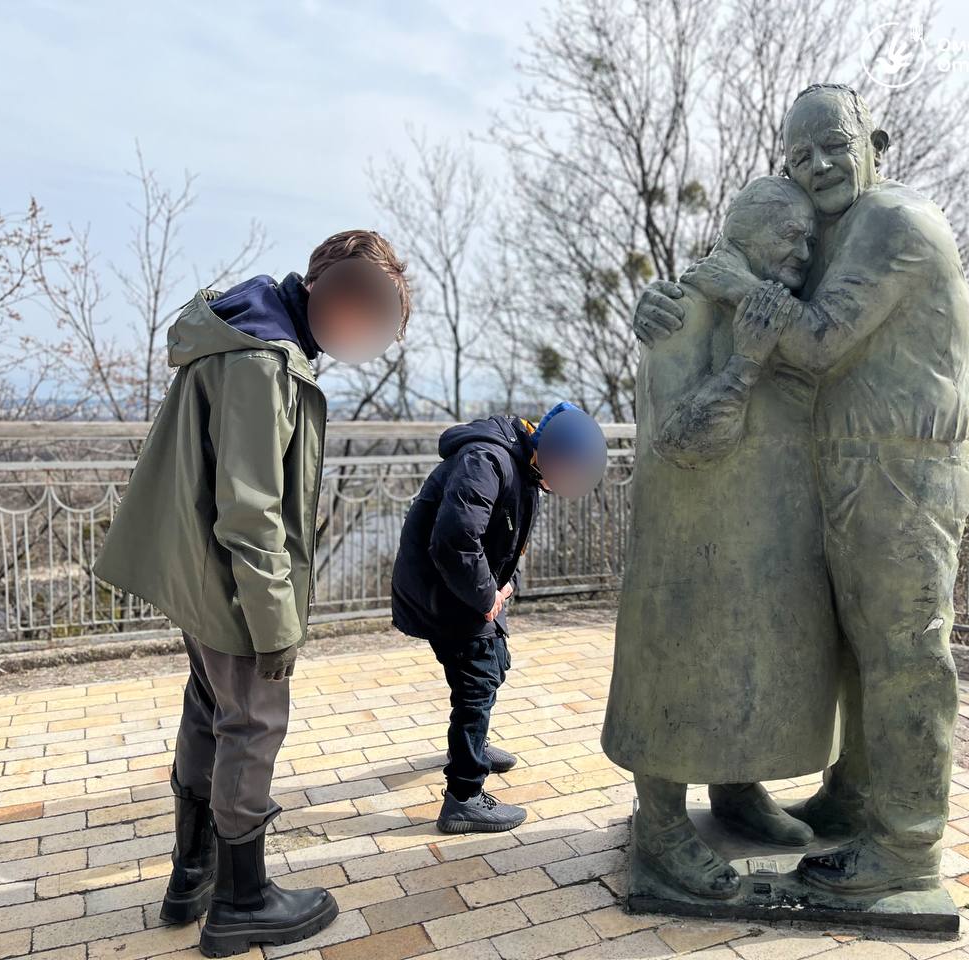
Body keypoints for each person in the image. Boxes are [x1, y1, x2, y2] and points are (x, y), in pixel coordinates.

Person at [632, 83, 969, 896]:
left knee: (905, 655)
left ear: (875, 143)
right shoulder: (835, 228)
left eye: (833, 145)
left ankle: (907, 844)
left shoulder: (894, 222)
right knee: (862, 650)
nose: (817, 167)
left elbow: (812, 338)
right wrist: (673, 298)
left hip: (903, 467)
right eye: (798, 156)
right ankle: (856, 800)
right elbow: (755, 264)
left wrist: (720, 283)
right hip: (847, 473)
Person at [93, 230, 410, 958]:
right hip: (229, 580)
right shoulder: (262, 361)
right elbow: (251, 508)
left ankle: (192, 875)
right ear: (325, 288)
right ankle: (242, 901)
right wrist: (275, 624)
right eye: (363, 308)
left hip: (199, 569)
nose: (364, 329)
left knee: (210, 709)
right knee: (254, 721)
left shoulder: (247, 333)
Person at [602, 176, 841, 901]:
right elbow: (681, 439)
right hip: (691, 536)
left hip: (763, 529)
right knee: (681, 664)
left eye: (809, 237)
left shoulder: (778, 306)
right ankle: (663, 822)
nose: (804, 249)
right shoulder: (683, 313)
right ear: (744, 236)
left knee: (751, 660)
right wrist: (745, 360)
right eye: (788, 236)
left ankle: (738, 787)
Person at [392, 403, 608, 834]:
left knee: (486, 668)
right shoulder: (487, 460)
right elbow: (455, 538)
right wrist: (487, 593)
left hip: (461, 589)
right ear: (552, 450)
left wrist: (505, 585)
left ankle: (474, 746)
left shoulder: (526, 465)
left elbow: (511, 537)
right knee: (478, 678)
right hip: (446, 591)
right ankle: (464, 797)